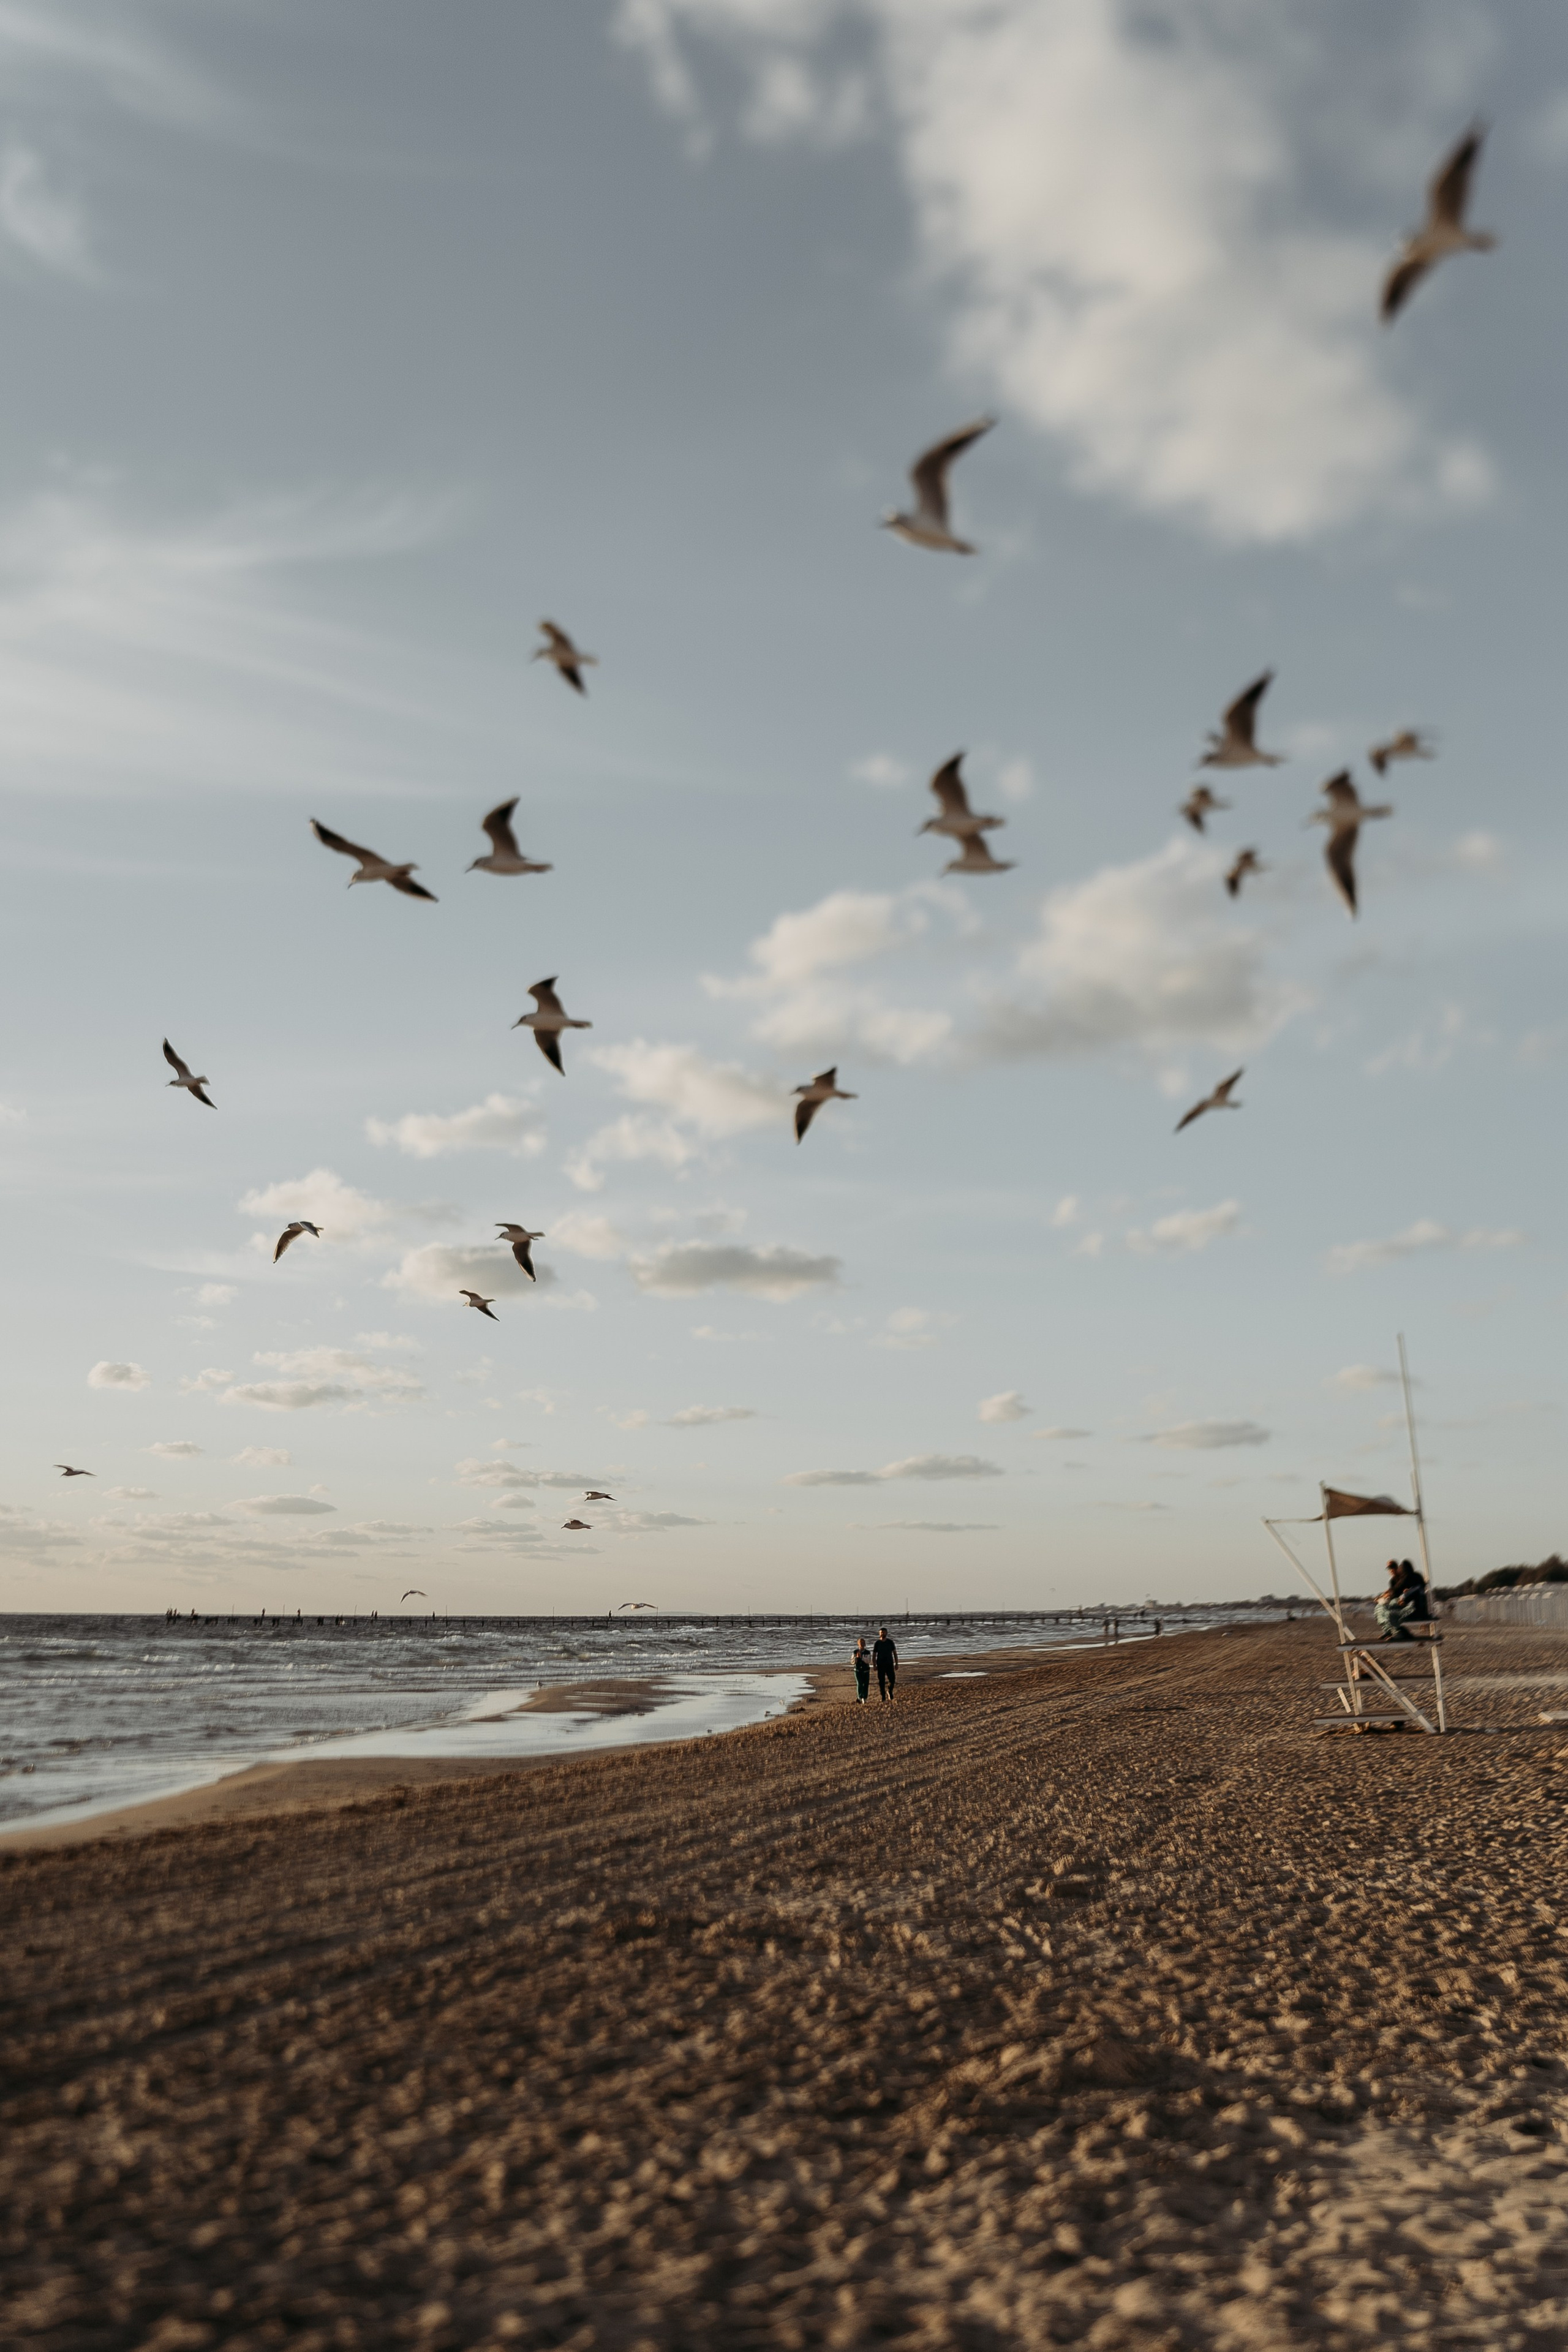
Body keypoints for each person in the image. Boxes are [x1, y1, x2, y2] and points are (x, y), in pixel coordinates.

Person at [1375, 1559, 1417, 1642]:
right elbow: (1392, 1592)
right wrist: (1382, 1597)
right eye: (1389, 1569)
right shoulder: (1392, 1581)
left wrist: (1387, 1595)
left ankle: (1397, 1632)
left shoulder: (1404, 1578)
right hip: (1396, 1602)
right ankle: (1388, 1630)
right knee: (1379, 1608)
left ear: (1398, 1568)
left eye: (1393, 1567)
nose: (1392, 1570)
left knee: (1387, 1609)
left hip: (1404, 1604)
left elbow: (1397, 1592)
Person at [872, 1625, 898, 1701]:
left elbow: (895, 1653)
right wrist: (874, 1665)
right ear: (879, 1634)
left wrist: (897, 1663)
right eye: (881, 1633)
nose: (882, 1634)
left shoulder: (890, 1642)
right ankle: (883, 1696)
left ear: (886, 1633)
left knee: (892, 1680)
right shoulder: (877, 1643)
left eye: (884, 1632)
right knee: (881, 1681)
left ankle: (890, 1691)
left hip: (890, 1664)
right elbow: (874, 1655)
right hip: (880, 1664)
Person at [852, 1637, 871, 1705]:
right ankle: (860, 1697)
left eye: (863, 1643)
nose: (862, 1644)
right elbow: (852, 1662)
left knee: (866, 1684)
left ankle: (865, 1698)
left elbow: (868, 1661)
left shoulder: (867, 1652)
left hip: (866, 1670)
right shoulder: (855, 1652)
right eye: (861, 1643)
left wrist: (862, 1657)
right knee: (860, 1684)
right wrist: (856, 1658)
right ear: (858, 1644)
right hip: (858, 1670)